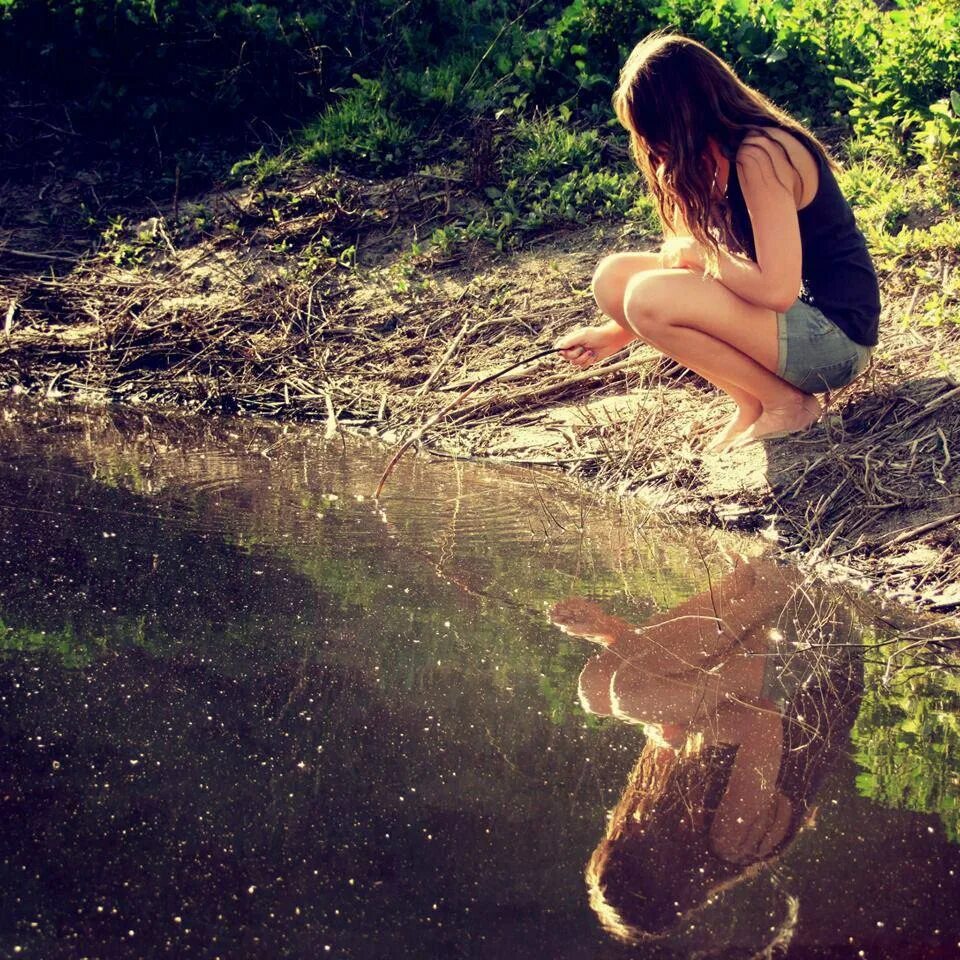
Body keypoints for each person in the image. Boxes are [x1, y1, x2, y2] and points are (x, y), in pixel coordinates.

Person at [556, 33, 881, 452]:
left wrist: (697, 253)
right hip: (785, 325)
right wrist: (614, 335)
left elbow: (777, 290)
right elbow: (690, 282)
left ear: (684, 116)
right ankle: (754, 402)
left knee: (646, 294)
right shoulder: (706, 160)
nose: (654, 147)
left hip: (835, 341)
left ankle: (788, 405)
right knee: (614, 279)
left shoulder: (761, 154)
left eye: (655, 132)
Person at [549, 555, 863, 944]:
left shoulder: (663, 812)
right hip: (820, 657)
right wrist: (685, 731)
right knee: (629, 697)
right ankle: (770, 585)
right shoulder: (732, 843)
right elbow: (761, 718)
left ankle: (743, 582)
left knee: (596, 691)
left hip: (764, 656)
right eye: (628, 840)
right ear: (661, 863)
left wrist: (608, 635)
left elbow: (679, 679)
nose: (625, 824)